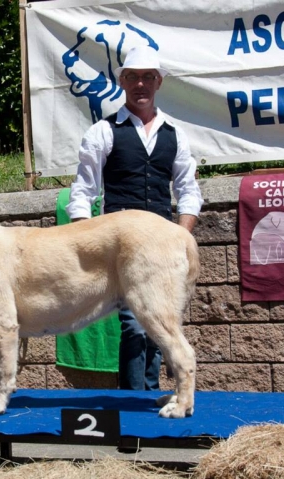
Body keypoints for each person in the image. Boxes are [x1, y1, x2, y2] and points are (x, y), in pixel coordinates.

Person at [66, 44, 203, 391]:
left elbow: (189, 192)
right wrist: (89, 240)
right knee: (136, 324)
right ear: (122, 81)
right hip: (121, 246)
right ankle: (132, 403)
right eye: (133, 78)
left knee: (158, 322)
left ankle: (147, 396)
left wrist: (180, 235)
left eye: (147, 78)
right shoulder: (104, 132)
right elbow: (83, 192)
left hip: (160, 247)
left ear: (158, 83)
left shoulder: (175, 134)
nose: (140, 84)